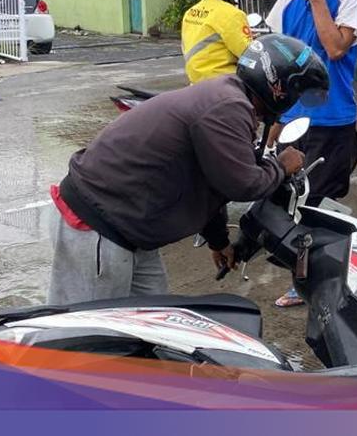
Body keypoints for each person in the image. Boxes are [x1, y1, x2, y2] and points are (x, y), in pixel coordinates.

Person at [47, 35, 325, 305]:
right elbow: (243, 184)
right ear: (280, 87)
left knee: (153, 324)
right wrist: (281, 166)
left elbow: (211, 182)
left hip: (130, 230)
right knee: (84, 337)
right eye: (297, 92)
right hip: (97, 224)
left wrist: (218, 241)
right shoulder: (229, 105)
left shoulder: (229, 95)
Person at [266, 0, 357, 307]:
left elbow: (336, 47)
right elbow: (275, 50)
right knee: (287, 202)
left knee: (316, 207)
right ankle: (309, 276)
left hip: (333, 121)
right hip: (294, 118)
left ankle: (315, 284)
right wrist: (273, 120)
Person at [181, 0, 256, 84]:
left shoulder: (191, 12)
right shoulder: (232, 14)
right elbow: (249, 55)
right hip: (226, 85)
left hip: (196, 84)